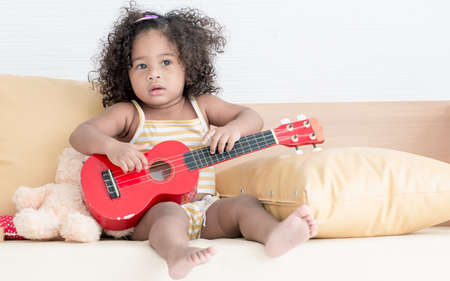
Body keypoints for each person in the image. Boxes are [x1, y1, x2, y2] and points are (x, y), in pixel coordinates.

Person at [70, 3, 317, 279]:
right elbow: (80, 134)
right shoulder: (129, 114)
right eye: (141, 65)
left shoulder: (204, 106)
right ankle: (177, 254)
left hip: (206, 209)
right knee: (168, 212)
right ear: (125, 75)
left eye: (166, 62)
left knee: (244, 204)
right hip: (152, 215)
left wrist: (234, 129)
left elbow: (252, 117)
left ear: (188, 66)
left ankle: (275, 235)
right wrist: (112, 147)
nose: (154, 73)